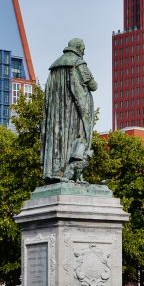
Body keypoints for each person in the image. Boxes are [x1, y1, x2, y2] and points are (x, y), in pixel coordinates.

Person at [40, 38, 98, 183]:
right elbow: (93, 85)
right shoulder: (78, 63)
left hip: (55, 114)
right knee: (77, 138)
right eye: (83, 48)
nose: (84, 51)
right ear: (78, 48)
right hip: (72, 112)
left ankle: (54, 171)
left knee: (57, 140)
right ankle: (68, 172)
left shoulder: (54, 68)